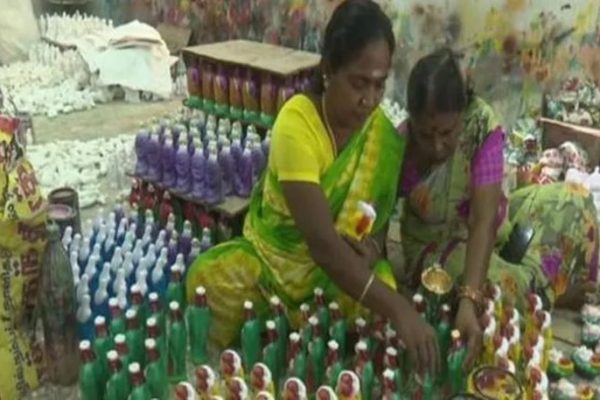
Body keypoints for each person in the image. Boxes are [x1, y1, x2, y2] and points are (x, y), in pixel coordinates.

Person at [186, 0, 441, 376]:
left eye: (379, 84)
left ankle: (302, 326)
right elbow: (321, 243)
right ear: (329, 71)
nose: (369, 99)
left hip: (336, 275)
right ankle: (299, 323)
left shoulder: (382, 138)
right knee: (207, 284)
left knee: (380, 287)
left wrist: (371, 249)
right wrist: (400, 307)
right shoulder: (297, 123)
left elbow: (377, 222)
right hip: (273, 266)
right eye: (358, 82)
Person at [399, 48, 599, 366]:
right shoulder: (401, 143)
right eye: (426, 135)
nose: (437, 146)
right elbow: (376, 217)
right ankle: (549, 293)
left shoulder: (481, 126)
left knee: (574, 201)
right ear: (412, 121)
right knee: (492, 288)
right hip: (436, 250)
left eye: (448, 133)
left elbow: (484, 219)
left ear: (463, 113)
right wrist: (469, 296)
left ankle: (532, 280)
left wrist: (468, 300)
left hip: (491, 224)